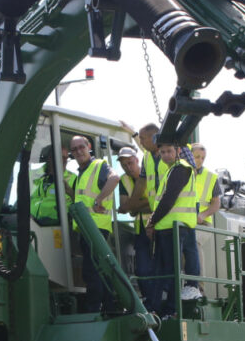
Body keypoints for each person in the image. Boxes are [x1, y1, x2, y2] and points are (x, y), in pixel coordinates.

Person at [145, 142, 200, 317]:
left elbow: (168, 200)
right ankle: (160, 307)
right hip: (170, 226)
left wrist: (152, 221)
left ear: (178, 151)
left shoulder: (181, 169)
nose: (166, 155)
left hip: (173, 227)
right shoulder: (173, 170)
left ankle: (171, 309)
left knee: (170, 271)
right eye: (163, 152)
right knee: (166, 271)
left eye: (169, 151)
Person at [70, 135, 120, 313]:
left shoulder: (98, 165)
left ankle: (94, 308)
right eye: (74, 149)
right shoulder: (81, 173)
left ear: (89, 146)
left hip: (96, 227)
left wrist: (99, 199)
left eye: (81, 147)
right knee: (98, 269)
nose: (78, 152)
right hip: (87, 228)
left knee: (92, 271)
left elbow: (114, 179)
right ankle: (107, 305)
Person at [116, 146, 155, 305]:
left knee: (160, 268)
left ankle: (158, 301)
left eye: (130, 163)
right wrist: (144, 203)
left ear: (137, 160)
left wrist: (134, 206)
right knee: (141, 270)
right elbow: (125, 207)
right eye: (124, 165)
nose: (128, 167)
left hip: (158, 228)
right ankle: (148, 301)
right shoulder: (123, 180)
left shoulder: (152, 176)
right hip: (141, 231)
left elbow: (156, 203)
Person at [30, 144, 75, 225]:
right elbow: (22, 199)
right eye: (62, 157)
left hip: (56, 226)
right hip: (30, 223)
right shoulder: (32, 175)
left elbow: (80, 204)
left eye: (66, 158)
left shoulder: (74, 179)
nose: (65, 161)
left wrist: (71, 192)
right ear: (50, 158)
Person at [191, 143, 220, 226]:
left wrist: (203, 214)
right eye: (197, 157)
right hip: (184, 219)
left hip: (203, 222)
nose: (200, 160)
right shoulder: (181, 172)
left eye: (203, 158)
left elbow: (216, 203)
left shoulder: (211, 177)